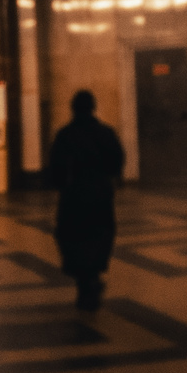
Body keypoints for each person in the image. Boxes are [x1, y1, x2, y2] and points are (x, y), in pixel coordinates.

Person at [47, 89, 124, 312]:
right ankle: (93, 275)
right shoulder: (105, 133)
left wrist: (61, 184)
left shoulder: (65, 135)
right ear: (93, 107)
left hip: (73, 195)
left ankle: (84, 280)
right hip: (100, 193)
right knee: (99, 235)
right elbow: (116, 161)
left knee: (72, 236)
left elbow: (56, 167)